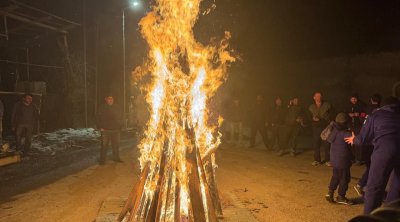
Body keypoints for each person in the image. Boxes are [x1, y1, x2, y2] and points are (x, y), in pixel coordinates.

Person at [345, 96, 400, 214]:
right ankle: (390, 213)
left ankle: (371, 216)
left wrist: (354, 140)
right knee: (397, 186)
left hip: (385, 151)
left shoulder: (376, 115)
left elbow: (364, 138)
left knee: (375, 186)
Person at [354, 93, 382, 196]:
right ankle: (361, 185)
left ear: (371, 100)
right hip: (373, 144)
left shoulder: (366, 110)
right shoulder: (381, 111)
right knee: (372, 167)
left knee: (371, 166)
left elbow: (362, 119)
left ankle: (364, 186)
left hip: (366, 143)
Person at [325, 113, 354, 205]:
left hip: (334, 158)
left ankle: (330, 193)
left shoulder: (333, 131)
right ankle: (341, 196)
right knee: (345, 178)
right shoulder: (346, 133)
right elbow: (354, 143)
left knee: (336, 176)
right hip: (343, 160)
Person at [96, 95, 123, 164]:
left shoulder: (117, 107)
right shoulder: (102, 107)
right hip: (105, 130)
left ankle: (116, 158)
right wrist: (100, 127)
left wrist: (120, 126)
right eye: (109, 99)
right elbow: (98, 117)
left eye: (112, 99)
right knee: (104, 146)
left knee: (116, 145)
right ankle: (102, 160)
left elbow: (120, 116)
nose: (110, 100)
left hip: (115, 130)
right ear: (106, 99)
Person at [309, 92, 332, 166]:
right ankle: (317, 160)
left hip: (325, 127)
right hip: (316, 127)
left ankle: (328, 160)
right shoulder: (311, 107)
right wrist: (312, 119)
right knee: (316, 144)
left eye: (320, 96)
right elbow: (308, 116)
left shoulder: (327, 105)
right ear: (314, 97)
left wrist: (328, 120)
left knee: (327, 144)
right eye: (317, 96)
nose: (319, 97)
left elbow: (332, 114)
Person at [347, 94, 367, 165]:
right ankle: (353, 158)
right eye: (352, 99)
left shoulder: (362, 105)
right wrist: (349, 115)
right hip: (351, 126)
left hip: (359, 126)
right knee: (352, 142)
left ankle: (359, 159)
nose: (353, 100)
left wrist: (358, 114)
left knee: (358, 142)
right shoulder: (348, 105)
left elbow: (366, 115)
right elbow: (345, 114)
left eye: (354, 99)